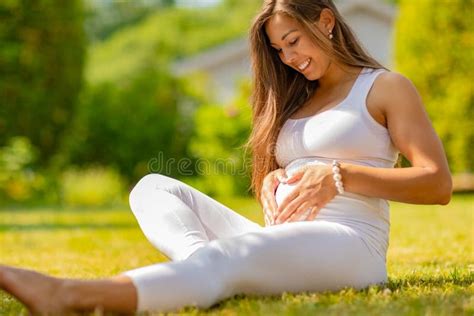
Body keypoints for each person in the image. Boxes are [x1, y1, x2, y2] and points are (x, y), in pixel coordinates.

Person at [0, 0, 452, 314]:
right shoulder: (300, 99)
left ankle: (69, 296)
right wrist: (279, 176)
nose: (289, 57)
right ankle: (201, 266)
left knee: (229, 260)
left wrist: (338, 175)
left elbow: (436, 183)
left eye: (294, 40)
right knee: (153, 187)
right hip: (284, 238)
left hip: (350, 244)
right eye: (279, 49)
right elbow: (298, 165)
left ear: (327, 21)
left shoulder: (383, 87)